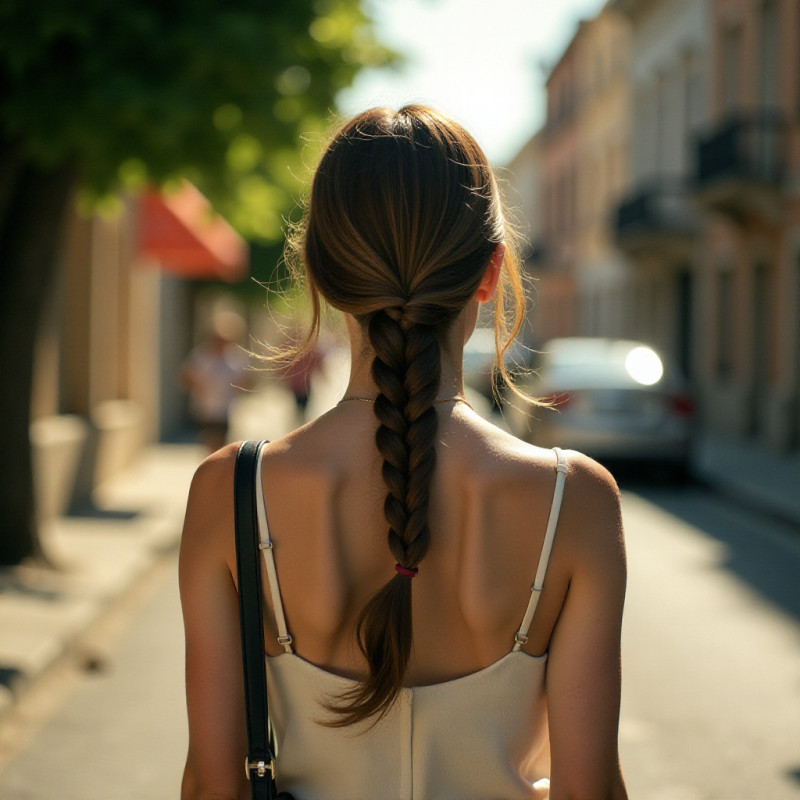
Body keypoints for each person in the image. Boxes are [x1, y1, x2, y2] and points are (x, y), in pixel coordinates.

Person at [179, 106, 628, 799]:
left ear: (321, 275)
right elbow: (588, 792)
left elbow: (214, 789)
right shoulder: (578, 502)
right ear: (490, 274)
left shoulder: (232, 490)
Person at [180, 311, 250, 453]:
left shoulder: (235, 357)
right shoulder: (202, 355)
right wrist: (199, 387)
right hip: (205, 408)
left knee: (221, 444)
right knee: (209, 441)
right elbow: (186, 375)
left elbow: (246, 380)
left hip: (225, 409)